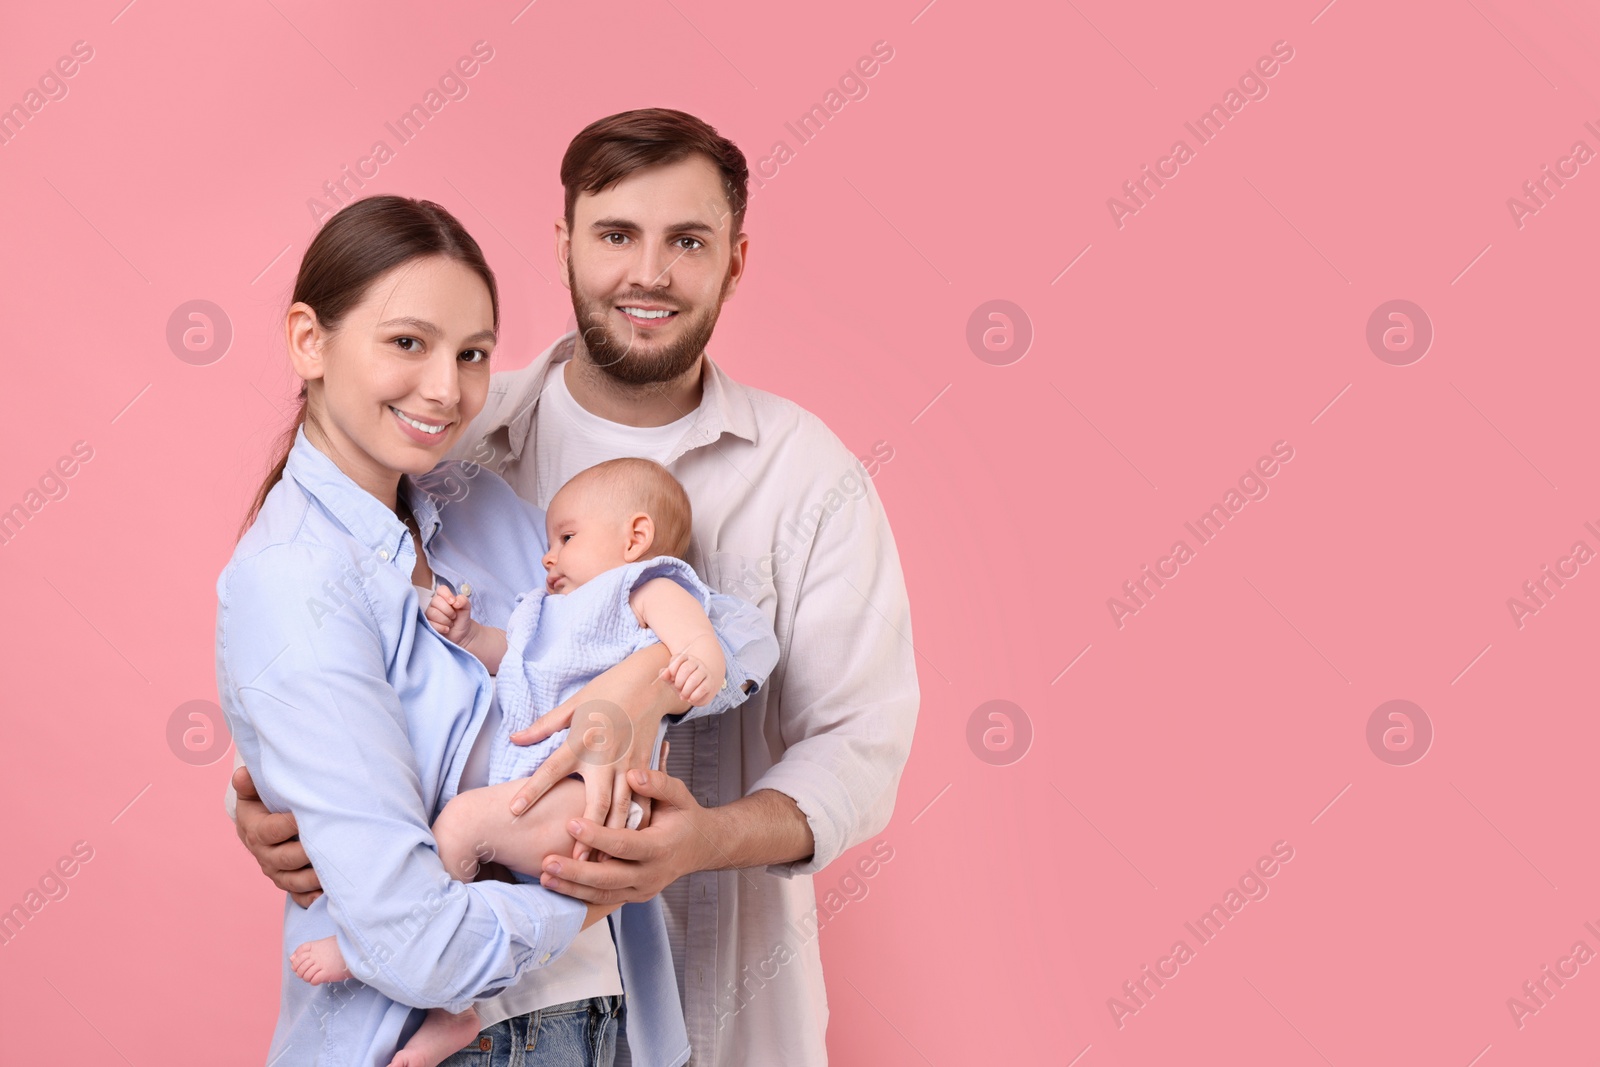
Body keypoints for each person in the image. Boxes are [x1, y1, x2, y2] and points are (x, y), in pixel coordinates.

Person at [234, 108, 920, 1065]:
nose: (648, 272)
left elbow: (860, 745)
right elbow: (357, 681)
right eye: (614, 235)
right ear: (563, 245)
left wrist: (656, 709)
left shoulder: (809, 475)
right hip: (499, 1006)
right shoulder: (457, 450)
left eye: (688, 239)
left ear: (735, 259)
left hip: (720, 1012)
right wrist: (279, 805)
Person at [286, 457, 750, 1067]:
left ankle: (378, 948)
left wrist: (680, 673)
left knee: (458, 826)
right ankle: (453, 1009)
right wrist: (470, 634)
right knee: (480, 879)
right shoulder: (543, 610)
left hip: (591, 798)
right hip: (541, 795)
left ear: (634, 537)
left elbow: (702, 645)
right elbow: (514, 661)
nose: (547, 555)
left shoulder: (644, 588)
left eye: (566, 538)